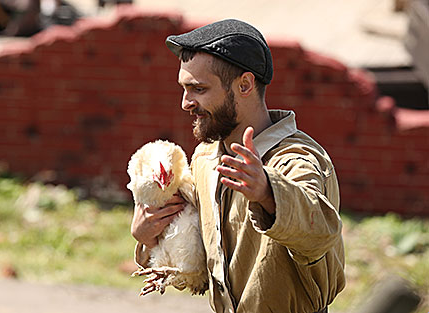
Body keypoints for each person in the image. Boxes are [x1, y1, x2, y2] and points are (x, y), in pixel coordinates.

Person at [131, 19, 345, 313]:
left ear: (244, 84)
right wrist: (148, 238)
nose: (186, 102)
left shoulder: (297, 159)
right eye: (184, 88)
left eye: (198, 89)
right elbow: (208, 266)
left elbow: (321, 234)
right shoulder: (205, 158)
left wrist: (268, 191)